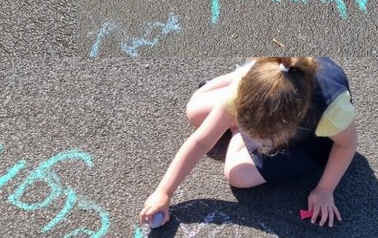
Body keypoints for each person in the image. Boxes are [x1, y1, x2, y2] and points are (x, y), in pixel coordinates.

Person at [140, 56, 357, 229]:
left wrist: (325, 189)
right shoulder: (245, 88)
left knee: (238, 175)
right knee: (194, 111)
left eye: (263, 137)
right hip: (262, 86)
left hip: (310, 142)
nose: (258, 141)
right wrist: (164, 192)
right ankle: (241, 73)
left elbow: (347, 145)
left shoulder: (331, 109)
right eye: (241, 119)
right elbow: (200, 142)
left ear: (290, 130)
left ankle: (235, 124)